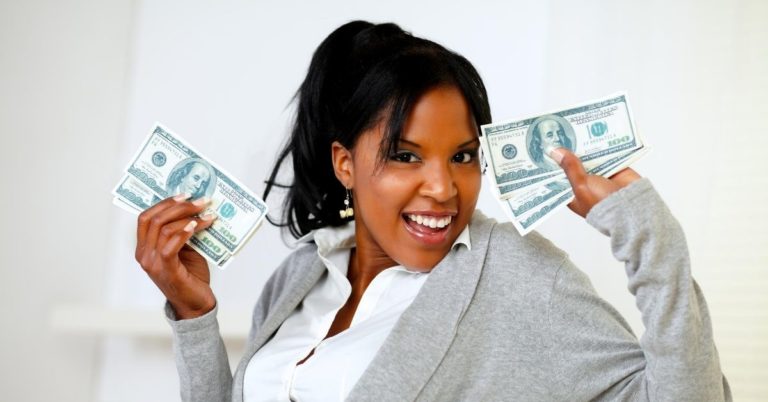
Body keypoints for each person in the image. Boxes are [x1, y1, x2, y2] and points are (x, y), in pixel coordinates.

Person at [133, 21, 731, 401]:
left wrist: (652, 239)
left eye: (464, 154)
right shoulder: (298, 279)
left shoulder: (520, 278)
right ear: (345, 163)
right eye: (405, 155)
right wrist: (194, 317)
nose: (444, 188)